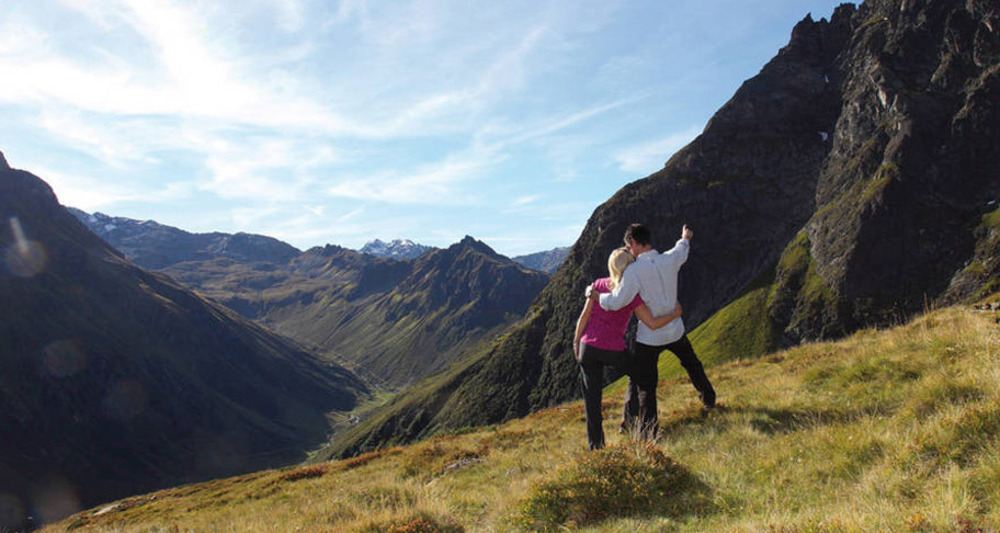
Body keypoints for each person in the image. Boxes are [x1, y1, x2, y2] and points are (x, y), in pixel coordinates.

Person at [589, 223, 716, 440]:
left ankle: (648, 431)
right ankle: (709, 400)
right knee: (692, 364)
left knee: (645, 384)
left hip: (650, 336)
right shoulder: (669, 259)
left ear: (634, 242)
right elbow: (681, 249)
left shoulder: (633, 271)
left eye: (628, 246)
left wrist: (597, 297)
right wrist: (685, 237)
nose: (629, 250)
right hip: (675, 329)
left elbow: (618, 301)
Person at [574, 247, 682, 450]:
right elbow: (652, 323)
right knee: (642, 376)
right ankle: (638, 424)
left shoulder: (598, 285)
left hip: (587, 347)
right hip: (612, 349)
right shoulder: (632, 294)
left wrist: (576, 342)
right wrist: (675, 314)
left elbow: (584, 316)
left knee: (592, 401)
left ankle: (596, 449)